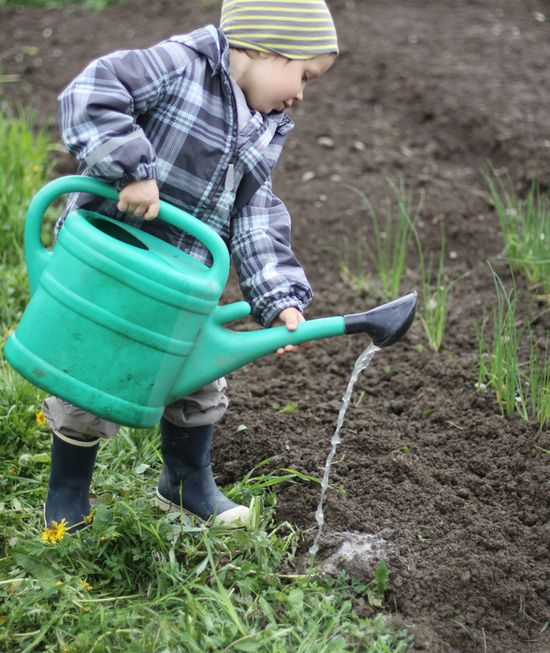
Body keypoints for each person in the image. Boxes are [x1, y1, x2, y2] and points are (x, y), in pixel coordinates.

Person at [43, 0, 338, 531]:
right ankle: (68, 492)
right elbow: (90, 91)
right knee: (88, 380)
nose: (300, 94)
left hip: (185, 281)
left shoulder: (266, 124)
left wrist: (279, 297)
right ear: (267, 48)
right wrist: (131, 168)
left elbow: (255, 213)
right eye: (304, 75)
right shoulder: (181, 64)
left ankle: (184, 484)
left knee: (198, 380)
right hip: (116, 266)